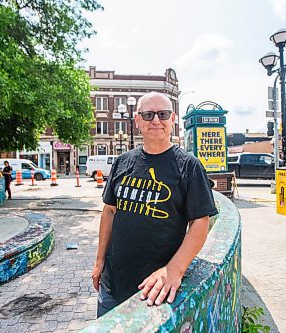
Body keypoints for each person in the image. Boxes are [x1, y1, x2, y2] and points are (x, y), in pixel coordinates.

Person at [91, 92, 218, 317]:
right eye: (148, 115)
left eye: (163, 114)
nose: (156, 121)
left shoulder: (189, 166)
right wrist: (99, 261)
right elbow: (109, 211)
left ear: (173, 119)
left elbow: (200, 222)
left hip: (157, 290)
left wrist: (175, 270)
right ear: (137, 121)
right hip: (112, 286)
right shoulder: (122, 162)